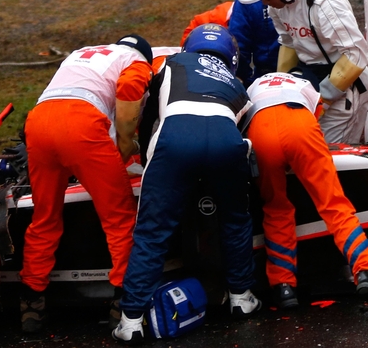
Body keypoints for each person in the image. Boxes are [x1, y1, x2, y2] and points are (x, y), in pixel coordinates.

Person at [113, 24, 260, 344]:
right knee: (235, 220)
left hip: (176, 136)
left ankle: (131, 320)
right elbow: (243, 128)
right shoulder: (237, 83)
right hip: (226, 140)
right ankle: (241, 297)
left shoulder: (169, 64)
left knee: (152, 231)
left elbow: (149, 114)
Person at [243, 69, 368, 313]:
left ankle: (283, 286)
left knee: (276, 208)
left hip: (260, 130)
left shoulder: (255, 83)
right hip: (299, 124)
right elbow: (316, 121)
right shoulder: (306, 86)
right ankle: (367, 271)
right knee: (334, 206)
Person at [19, 35, 154, 333]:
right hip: (81, 124)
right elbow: (130, 90)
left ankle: (31, 301)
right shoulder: (136, 61)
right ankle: (125, 303)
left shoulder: (82, 53)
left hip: (39, 123)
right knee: (119, 218)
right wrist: (125, 140)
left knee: (44, 217)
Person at [235, 0, 368, 144]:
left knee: (332, 156)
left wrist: (321, 99)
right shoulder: (277, 6)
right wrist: (282, 92)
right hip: (314, 84)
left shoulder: (325, 3)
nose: (264, 2)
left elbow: (356, 55)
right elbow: (288, 43)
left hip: (346, 90)